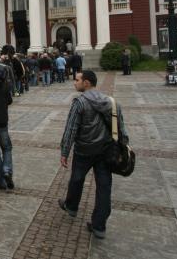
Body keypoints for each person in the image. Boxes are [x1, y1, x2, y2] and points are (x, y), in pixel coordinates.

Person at [58, 70, 129, 239]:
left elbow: (71, 129)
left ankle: (72, 206)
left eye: (77, 80)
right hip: (106, 152)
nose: (75, 83)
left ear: (87, 83)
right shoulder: (112, 102)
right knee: (104, 188)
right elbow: (121, 128)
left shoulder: (79, 103)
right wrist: (123, 147)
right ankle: (99, 226)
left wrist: (64, 151)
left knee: (76, 179)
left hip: (84, 151)